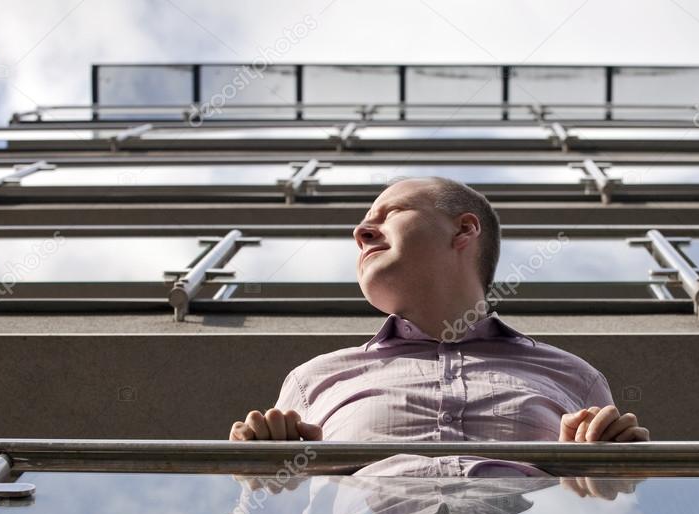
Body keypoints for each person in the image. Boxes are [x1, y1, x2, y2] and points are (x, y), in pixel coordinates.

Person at [229, 176, 649, 452]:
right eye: (363, 223)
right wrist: (252, 478)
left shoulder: (575, 376)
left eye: (389, 213)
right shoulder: (313, 380)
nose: (361, 232)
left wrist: (606, 473)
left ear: (464, 230)